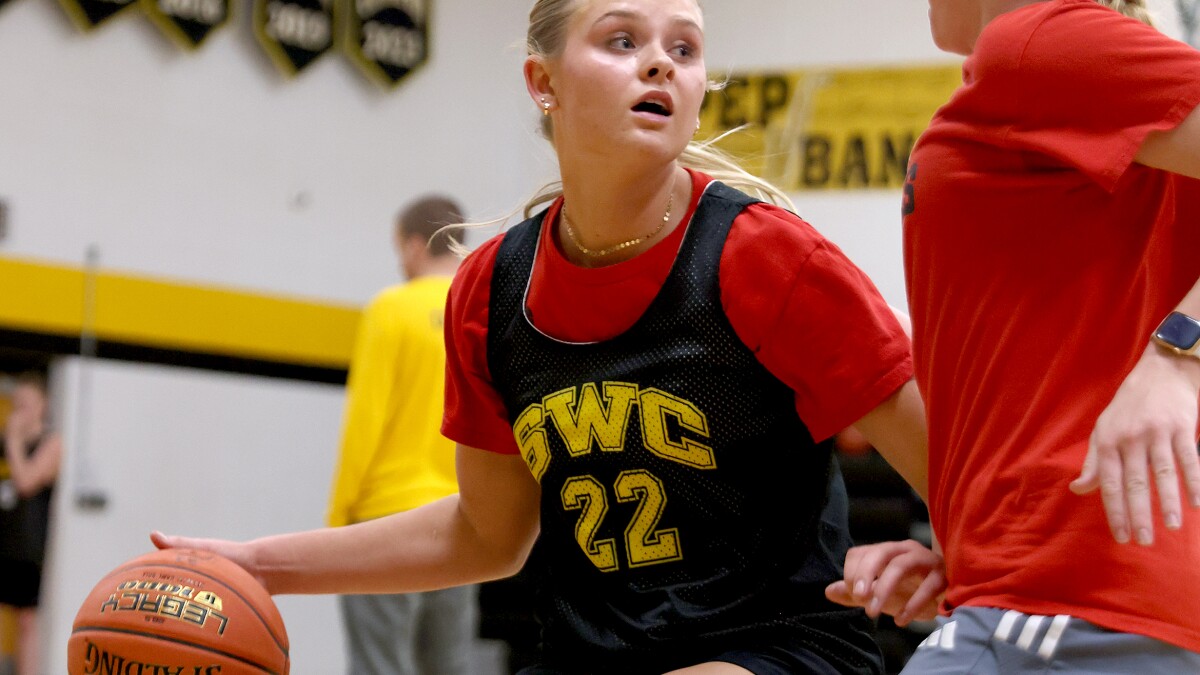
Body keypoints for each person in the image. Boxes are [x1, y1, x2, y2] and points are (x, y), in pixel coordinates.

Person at [154, 1, 933, 672]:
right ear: (544, 83)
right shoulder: (492, 289)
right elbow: (485, 534)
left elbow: (949, 457)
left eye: (684, 48)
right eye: (622, 40)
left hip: (776, 648)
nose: (660, 63)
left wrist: (960, 559)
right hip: (585, 655)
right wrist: (255, 565)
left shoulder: (765, 254)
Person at [831, 0, 1200, 672]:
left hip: (1071, 596)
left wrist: (1179, 354)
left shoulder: (1038, 41)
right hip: (1041, 589)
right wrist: (962, 539)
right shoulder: (1047, 66)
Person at [326, 195, 477, 675]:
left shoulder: (390, 310)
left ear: (415, 245)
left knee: (378, 667)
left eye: (399, 247)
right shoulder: (479, 312)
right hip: (460, 522)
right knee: (449, 666)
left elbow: (365, 422)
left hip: (384, 522)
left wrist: (338, 522)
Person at [0, 371, 62, 675]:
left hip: (29, 548)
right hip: (3, 540)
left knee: (27, 621)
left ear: (43, 405)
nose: (21, 410)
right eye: (17, 403)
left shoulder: (51, 444)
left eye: (28, 403)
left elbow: (25, 482)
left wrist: (13, 439)